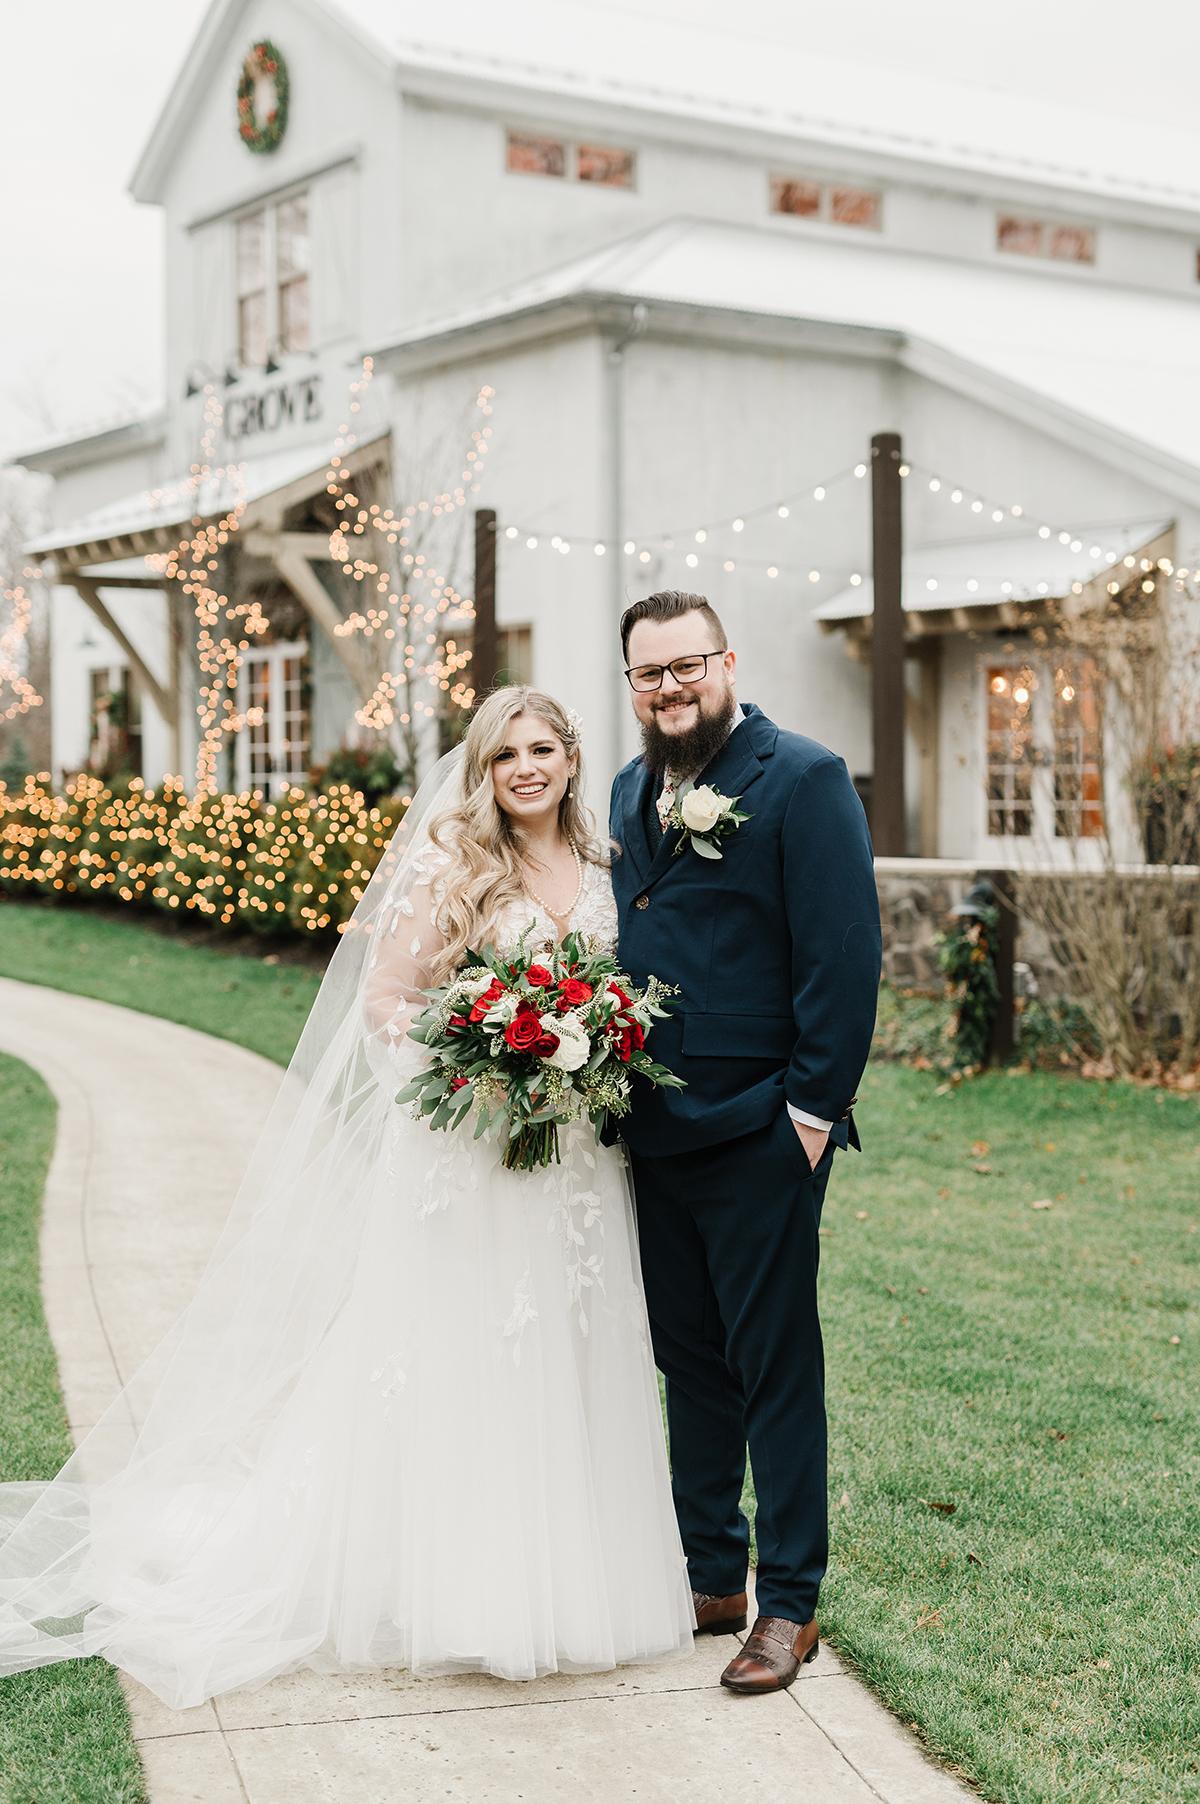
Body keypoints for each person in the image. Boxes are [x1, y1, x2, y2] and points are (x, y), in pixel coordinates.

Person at [0, 686, 693, 1710]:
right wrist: (483, 1068)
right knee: (472, 1352)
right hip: (480, 1151)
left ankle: (575, 1580)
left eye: (544, 748)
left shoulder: (606, 868)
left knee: (572, 1348)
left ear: (573, 758)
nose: (528, 769)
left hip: (581, 1159)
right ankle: (460, 1589)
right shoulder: (453, 864)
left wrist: (591, 1057)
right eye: (507, 756)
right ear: (485, 770)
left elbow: (623, 992)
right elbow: (387, 1001)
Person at [609, 590, 881, 1694]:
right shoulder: (630, 790)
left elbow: (843, 961)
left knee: (775, 1366)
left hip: (764, 1129)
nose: (670, 689)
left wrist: (807, 1121)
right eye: (648, 674)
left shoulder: (802, 778)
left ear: (727, 661)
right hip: (651, 1129)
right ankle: (712, 1572)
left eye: (687, 667)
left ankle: (790, 1602)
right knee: (692, 1362)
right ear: (630, 685)